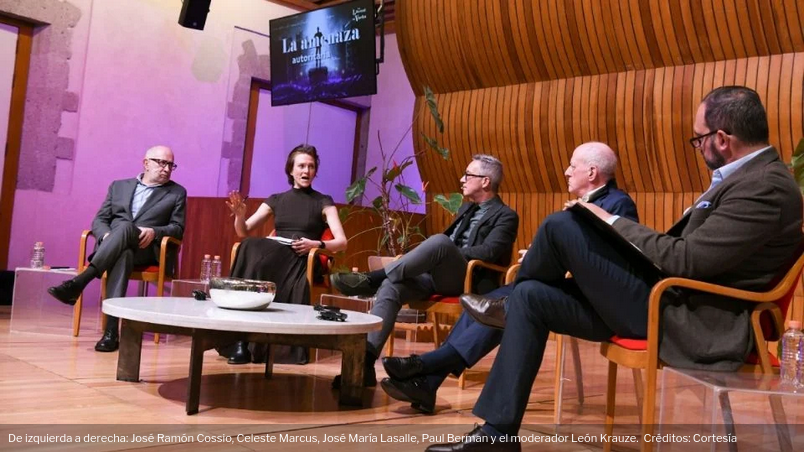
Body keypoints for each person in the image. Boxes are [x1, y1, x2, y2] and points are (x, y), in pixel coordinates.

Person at [424, 86, 804, 451]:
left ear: (721, 139)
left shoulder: (764, 187)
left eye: (698, 139)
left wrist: (610, 220)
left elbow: (688, 260)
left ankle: (502, 304)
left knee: (561, 225)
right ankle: (497, 435)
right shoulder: (747, 180)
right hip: (665, 300)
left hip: (688, 318)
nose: (698, 147)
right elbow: (690, 257)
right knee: (530, 294)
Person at [380, 142, 638, 413]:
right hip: (562, 287)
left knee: (509, 304)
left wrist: (553, 256)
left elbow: (611, 263)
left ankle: (426, 365)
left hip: (591, 301)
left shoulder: (618, 203)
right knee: (489, 304)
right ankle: (428, 383)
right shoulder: (575, 207)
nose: (566, 171)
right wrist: (542, 255)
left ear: (592, 172)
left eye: (573, 166)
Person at [330, 154, 519, 388]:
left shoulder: (506, 216)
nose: (462, 179)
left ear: (485, 181)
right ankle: (364, 366)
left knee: (440, 242)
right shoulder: (466, 208)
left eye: (468, 175)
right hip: (437, 275)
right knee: (392, 287)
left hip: (469, 279)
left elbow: (490, 251)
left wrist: (449, 253)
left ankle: (373, 278)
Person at [48, 145, 187, 352]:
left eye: (171, 165)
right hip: (117, 246)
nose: (166, 169)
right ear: (146, 163)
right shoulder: (119, 186)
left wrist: (154, 232)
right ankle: (111, 333)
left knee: (124, 228)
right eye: (161, 163)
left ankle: (80, 282)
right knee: (123, 250)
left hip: (146, 250)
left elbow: (177, 228)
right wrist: (106, 236)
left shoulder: (176, 192)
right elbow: (100, 220)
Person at [223, 144, 347, 365]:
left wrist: (315, 244)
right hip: (278, 251)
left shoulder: (323, 201)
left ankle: (243, 342)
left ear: (315, 171)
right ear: (291, 170)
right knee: (247, 245)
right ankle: (241, 339)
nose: (306, 171)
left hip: (302, 257)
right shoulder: (276, 199)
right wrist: (240, 216)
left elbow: (342, 242)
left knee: (256, 255)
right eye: (301, 166)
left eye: (311, 166)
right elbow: (243, 231)